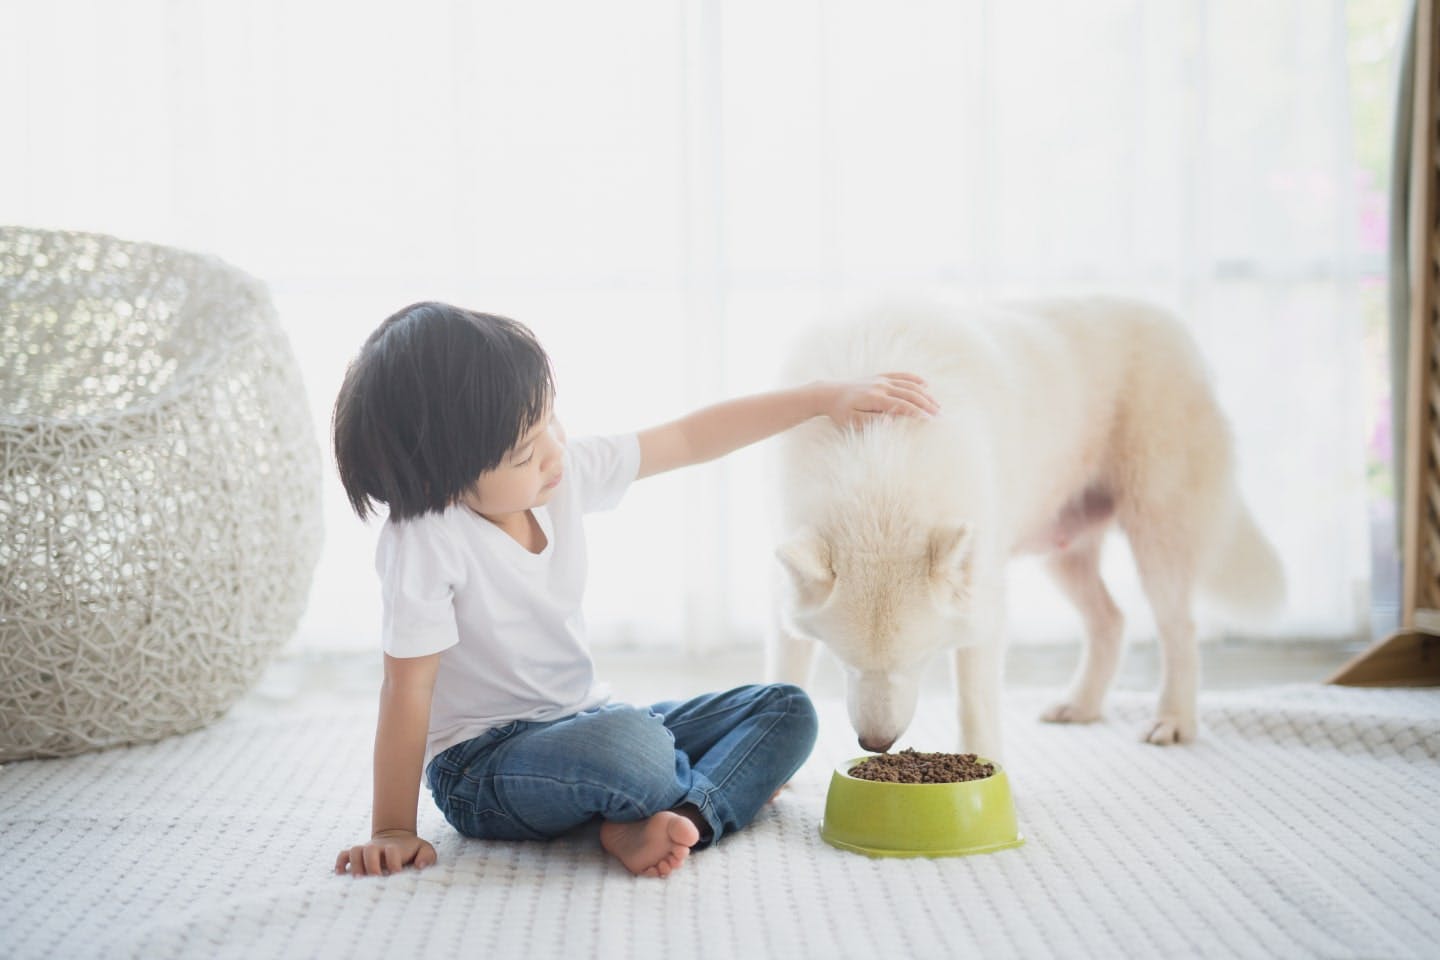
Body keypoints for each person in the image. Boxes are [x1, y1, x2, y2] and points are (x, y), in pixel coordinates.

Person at [330, 302, 940, 879]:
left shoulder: (559, 472)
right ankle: (699, 789)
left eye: (549, 420)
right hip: (484, 767)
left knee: (786, 709)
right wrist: (391, 828)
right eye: (523, 453)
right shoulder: (426, 539)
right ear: (441, 483)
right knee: (631, 747)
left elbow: (688, 438)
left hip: (592, 721)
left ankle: (668, 818)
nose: (553, 453)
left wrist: (822, 399)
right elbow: (406, 689)